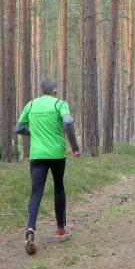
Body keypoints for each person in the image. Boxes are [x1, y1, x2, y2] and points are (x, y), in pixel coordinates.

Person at [16, 78, 81, 255]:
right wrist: (75, 147)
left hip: (37, 155)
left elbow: (19, 127)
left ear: (42, 90)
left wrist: (33, 131)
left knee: (36, 192)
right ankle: (60, 229)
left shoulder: (31, 105)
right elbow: (68, 122)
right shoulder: (60, 104)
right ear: (55, 91)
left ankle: (30, 228)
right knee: (58, 187)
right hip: (57, 154)